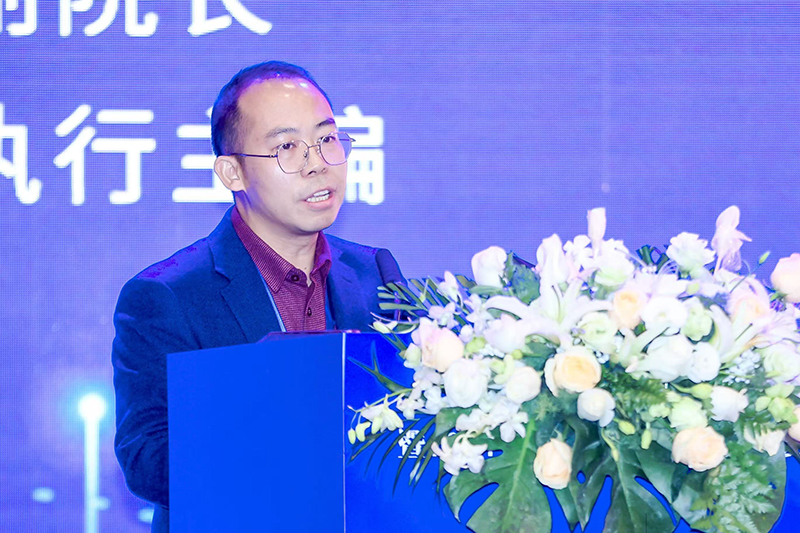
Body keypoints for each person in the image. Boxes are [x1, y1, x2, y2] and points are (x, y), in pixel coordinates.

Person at [111, 61, 403, 532]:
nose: (317, 163)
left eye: (327, 139)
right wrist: (285, 435)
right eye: (286, 147)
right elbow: (147, 459)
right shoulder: (167, 296)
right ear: (232, 172)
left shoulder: (375, 273)